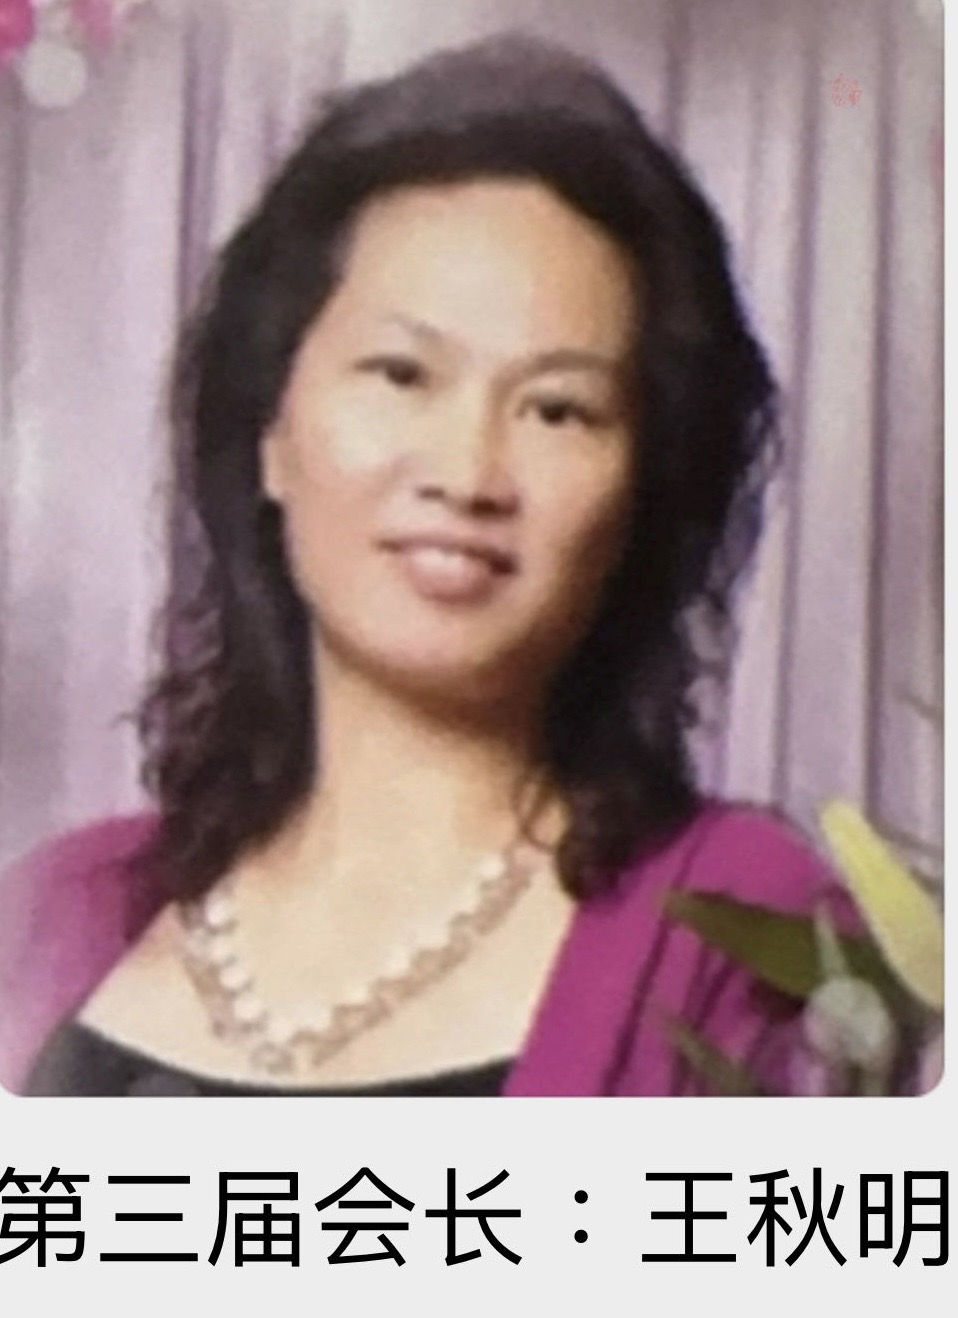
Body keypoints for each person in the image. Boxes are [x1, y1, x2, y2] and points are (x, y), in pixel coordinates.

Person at [0, 34, 840, 1097]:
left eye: (557, 409)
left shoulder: (744, 928)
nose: (468, 473)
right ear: (270, 431)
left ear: (645, 490)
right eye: (401, 374)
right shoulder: (51, 915)